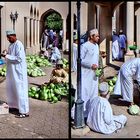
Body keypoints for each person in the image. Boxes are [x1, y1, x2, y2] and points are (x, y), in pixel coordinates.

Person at [71, 29, 100, 119]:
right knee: (84, 93)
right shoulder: (84, 46)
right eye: (97, 36)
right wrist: (90, 65)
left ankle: (89, 114)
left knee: (93, 94)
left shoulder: (96, 46)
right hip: (85, 74)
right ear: (91, 36)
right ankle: (76, 115)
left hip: (94, 75)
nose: (98, 38)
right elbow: (80, 60)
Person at [2, 30, 29, 118]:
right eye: (7, 38)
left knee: (20, 91)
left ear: (14, 36)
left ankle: (24, 112)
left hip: (18, 72)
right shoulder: (11, 45)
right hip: (12, 73)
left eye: (9, 38)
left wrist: (6, 56)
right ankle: (14, 106)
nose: (8, 39)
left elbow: (19, 58)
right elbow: (10, 56)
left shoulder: (19, 44)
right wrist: (6, 53)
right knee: (12, 89)